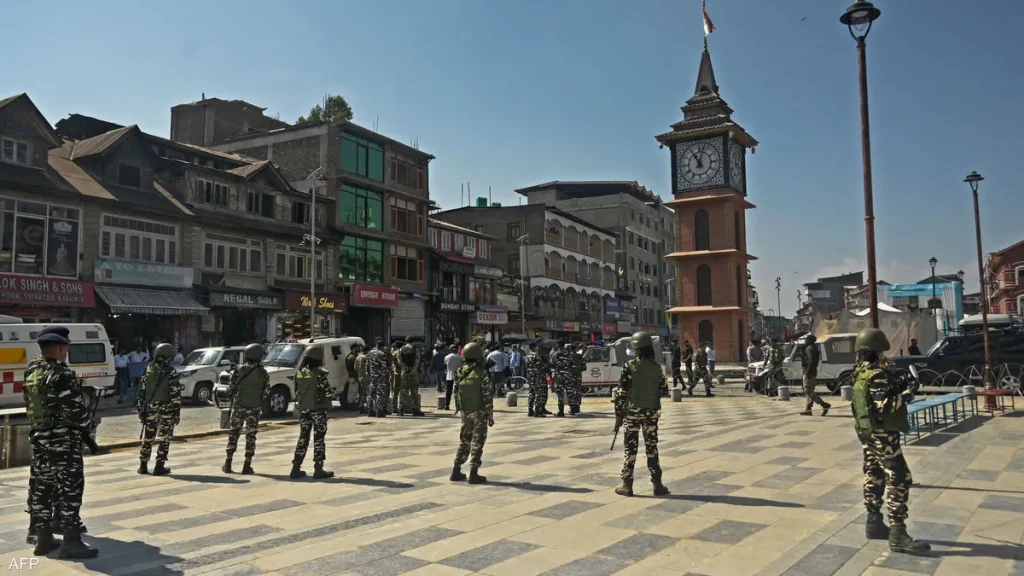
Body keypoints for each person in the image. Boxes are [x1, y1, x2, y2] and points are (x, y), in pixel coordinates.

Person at [851, 327, 929, 554]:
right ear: (876, 351)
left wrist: (897, 385)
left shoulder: (861, 372)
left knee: (873, 473)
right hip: (882, 434)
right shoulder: (877, 374)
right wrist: (909, 392)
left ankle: (874, 521)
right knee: (899, 477)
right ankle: (898, 532)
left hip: (867, 431)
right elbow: (885, 405)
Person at [23, 326, 98, 558]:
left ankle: (43, 538)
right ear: (58, 347)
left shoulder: (32, 371)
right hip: (62, 441)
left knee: (43, 487)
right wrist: (89, 421)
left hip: (40, 440)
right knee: (70, 490)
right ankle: (71, 542)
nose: (67, 351)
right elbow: (75, 412)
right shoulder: (60, 374)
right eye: (66, 346)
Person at [614, 332, 669, 497]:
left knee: (630, 449)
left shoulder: (628, 366)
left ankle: (627, 484)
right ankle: (657, 484)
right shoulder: (656, 367)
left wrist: (618, 415)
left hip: (632, 413)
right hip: (651, 412)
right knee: (652, 448)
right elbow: (664, 390)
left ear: (636, 349)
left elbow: (621, 393)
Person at [222, 343, 270, 474]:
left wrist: (233, 398)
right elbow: (266, 392)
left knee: (234, 434)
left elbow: (230, 389)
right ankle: (246, 465)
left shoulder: (238, 370)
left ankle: (228, 463)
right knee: (251, 436)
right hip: (253, 409)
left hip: (239, 407)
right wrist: (258, 401)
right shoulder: (263, 373)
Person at [450, 343, 493, 484]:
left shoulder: (460, 371)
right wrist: (490, 413)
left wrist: (460, 408)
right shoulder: (481, 372)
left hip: (465, 412)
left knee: (464, 440)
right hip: (479, 412)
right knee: (477, 442)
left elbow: (455, 391)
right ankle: (473, 473)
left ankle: (456, 469)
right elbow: (487, 395)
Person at [290, 347, 334, 479]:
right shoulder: (319, 374)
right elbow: (328, 393)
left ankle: (296, 467)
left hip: (304, 410)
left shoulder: (300, 373)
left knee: (303, 438)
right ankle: (318, 468)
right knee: (319, 438)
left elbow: (297, 391)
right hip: (318, 410)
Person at [137, 343, 181, 476]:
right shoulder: (171, 371)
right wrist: (177, 413)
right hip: (166, 409)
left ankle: (143, 466)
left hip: (150, 408)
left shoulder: (147, 369)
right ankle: (159, 466)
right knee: (164, 438)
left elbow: (142, 391)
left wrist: (141, 409)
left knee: (148, 437)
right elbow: (175, 394)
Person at [799, 335, 831, 416]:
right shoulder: (812, 348)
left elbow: (811, 362)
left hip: (809, 373)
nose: (805, 341)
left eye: (806, 339)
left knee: (808, 391)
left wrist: (808, 373)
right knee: (810, 391)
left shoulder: (809, 348)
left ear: (810, 340)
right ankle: (808, 409)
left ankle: (824, 404)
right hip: (812, 372)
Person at [397, 336, 425, 416]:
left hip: (404, 373)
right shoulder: (416, 349)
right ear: (413, 341)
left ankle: (401, 410)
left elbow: (399, 360)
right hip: (413, 373)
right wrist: (413, 370)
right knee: (414, 391)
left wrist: (405, 368)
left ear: (406, 341)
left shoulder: (401, 349)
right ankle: (415, 410)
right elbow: (417, 361)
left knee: (403, 391)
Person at [526, 338, 550, 418]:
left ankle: (530, 410)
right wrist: (545, 366)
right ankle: (537, 411)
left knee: (531, 393)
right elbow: (540, 366)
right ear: (534, 347)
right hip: (538, 377)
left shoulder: (527, 356)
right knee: (539, 394)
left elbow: (527, 367)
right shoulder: (537, 355)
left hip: (530, 377)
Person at [366, 338, 390, 417]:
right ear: (382, 346)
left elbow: (367, 365)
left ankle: (370, 411)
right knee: (380, 394)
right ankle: (379, 411)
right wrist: (386, 375)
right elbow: (384, 366)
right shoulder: (381, 354)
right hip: (380, 377)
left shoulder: (370, 352)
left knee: (371, 394)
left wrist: (369, 374)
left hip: (373, 376)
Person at [443, 345, 463, 410]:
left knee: (448, 391)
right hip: (458, 377)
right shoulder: (460, 358)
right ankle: (458, 406)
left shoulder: (447, 357)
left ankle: (446, 405)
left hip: (449, 376)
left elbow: (445, 365)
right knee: (458, 392)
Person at [344, 343, 361, 410]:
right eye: (357, 348)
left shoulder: (352, 356)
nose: (358, 349)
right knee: (352, 392)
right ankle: (351, 405)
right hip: (353, 376)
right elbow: (355, 368)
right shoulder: (352, 357)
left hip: (353, 376)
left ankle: (352, 404)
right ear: (353, 348)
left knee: (354, 392)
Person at [355, 344, 369, 414]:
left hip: (360, 377)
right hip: (366, 377)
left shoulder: (358, 357)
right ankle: (368, 407)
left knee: (363, 393)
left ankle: (361, 406)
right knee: (368, 393)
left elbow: (355, 368)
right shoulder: (366, 357)